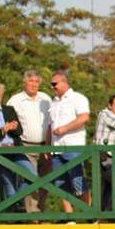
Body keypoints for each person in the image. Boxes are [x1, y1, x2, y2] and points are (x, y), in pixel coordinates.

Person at [0, 81, 33, 205]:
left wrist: (14, 127)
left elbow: (20, 131)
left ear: (1, 97)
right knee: (8, 185)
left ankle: (16, 201)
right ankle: (14, 213)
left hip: (15, 149)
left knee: (33, 176)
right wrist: (2, 130)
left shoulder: (9, 110)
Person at [6, 70, 51, 213]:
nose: (33, 84)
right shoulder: (15, 100)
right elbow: (7, 121)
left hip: (45, 145)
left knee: (45, 181)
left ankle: (39, 213)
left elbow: (52, 122)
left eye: (36, 82)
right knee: (31, 178)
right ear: (24, 83)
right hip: (25, 145)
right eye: (31, 81)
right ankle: (30, 214)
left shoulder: (46, 99)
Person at [48, 70, 90, 214]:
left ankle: (89, 214)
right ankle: (69, 216)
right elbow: (50, 126)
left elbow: (84, 117)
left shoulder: (77, 98)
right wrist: (49, 146)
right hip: (56, 148)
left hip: (73, 147)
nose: (52, 87)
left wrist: (65, 128)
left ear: (64, 82)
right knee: (60, 185)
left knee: (77, 183)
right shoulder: (53, 102)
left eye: (54, 84)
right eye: (51, 85)